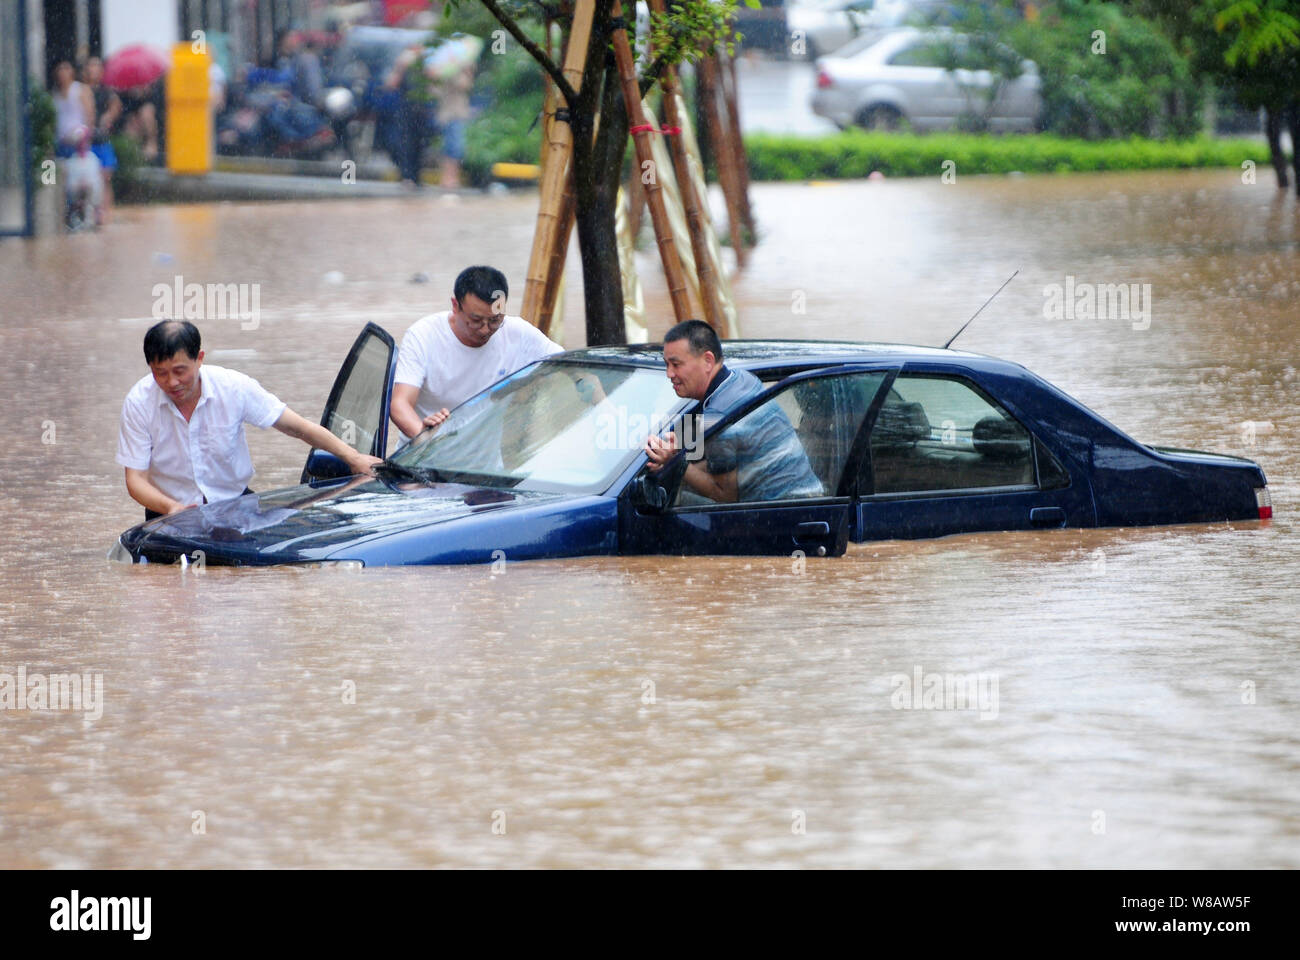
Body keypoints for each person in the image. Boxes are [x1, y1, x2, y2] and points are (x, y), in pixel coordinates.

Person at [117, 320, 382, 520]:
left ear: (199, 359)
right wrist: (171, 508)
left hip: (235, 507)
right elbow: (136, 480)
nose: (171, 382)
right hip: (168, 513)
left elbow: (298, 428)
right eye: (160, 373)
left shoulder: (234, 387)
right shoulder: (139, 403)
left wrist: (353, 458)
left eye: (179, 371)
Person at [643, 319, 822, 503]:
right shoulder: (742, 379)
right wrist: (676, 457)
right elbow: (724, 461)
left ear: (707, 361)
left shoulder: (719, 417)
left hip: (785, 511)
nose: (669, 374)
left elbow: (725, 495)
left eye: (676, 364)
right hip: (808, 496)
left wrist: (675, 463)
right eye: (667, 364)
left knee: (675, 503)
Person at [389, 265, 563, 441]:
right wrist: (423, 437)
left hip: (485, 467)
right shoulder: (423, 335)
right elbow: (399, 404)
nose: (485, 330)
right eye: (476, 320)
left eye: (495, 320)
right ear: (455, 306)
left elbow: (567, 362)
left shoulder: (517, 333)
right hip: (425, 461)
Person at [80, 57, 120, 223]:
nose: (94, 70)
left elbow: (115, 106)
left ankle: (105, 213)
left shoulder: (106, 91)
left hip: (102, 140)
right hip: (86, 141)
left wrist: (108, 117)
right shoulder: (81, 90)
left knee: (106, 177)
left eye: (97, 66)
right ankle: (89, 211)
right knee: (88, 178)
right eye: (91, 66)